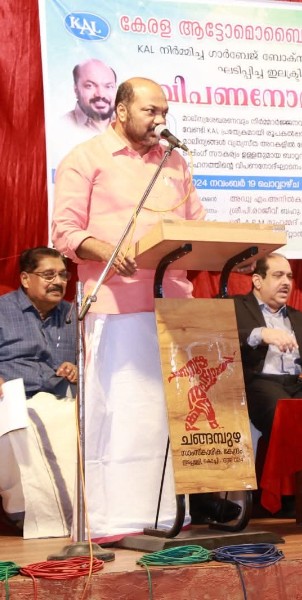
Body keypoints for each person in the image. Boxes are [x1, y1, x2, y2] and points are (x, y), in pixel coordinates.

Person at [51, 77, 206, 541]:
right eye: (150, 111)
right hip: (115, 305)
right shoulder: (85, 158)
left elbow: (197, 226)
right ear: (120, 111)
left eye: (164, 112)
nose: (160, 120)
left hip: (174, 306)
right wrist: (104, 249)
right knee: (122, 416)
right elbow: (64, 232)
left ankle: (170, 515)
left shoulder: (175, 162)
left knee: (169, 417)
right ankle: (113, 519)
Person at [0, 247, 78, 538]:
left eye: (63, 275)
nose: (58, 281)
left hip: (60, 398)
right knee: (24, 427)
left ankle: (75, 514)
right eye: (48, 275)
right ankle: (27, 513)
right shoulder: (3, 310)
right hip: (12, 397)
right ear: (25, 279)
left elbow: (90, 359)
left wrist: (76, 368)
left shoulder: (73, 314)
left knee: (81, 423)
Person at [234, 253, 302, 444]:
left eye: (289, 277)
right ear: (257, 281)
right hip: (261, 382)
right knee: (285, 413)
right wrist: (260, 334)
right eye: (278, 275)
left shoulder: (301, 319)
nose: (286, 282)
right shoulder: (234, 306)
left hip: (301, 382)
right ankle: (283, 464)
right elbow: (216, 338)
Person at [61, 59, 117, 134]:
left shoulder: (126, 123)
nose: (101, 94)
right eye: (89, 86)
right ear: (76, 90)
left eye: (108, 86)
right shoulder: (61, 126)